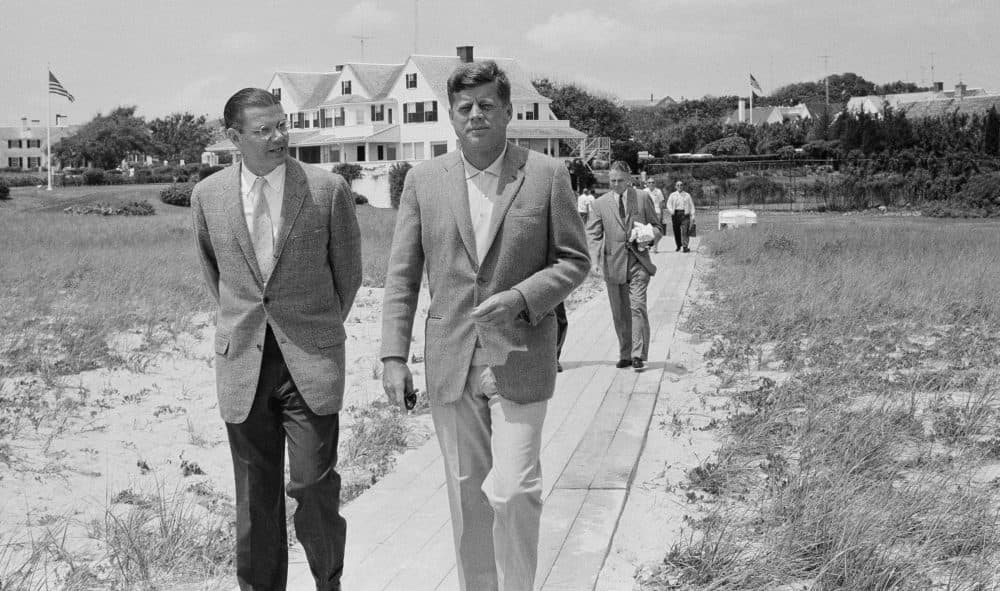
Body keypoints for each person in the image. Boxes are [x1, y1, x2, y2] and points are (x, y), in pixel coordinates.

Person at [380, 60, 590, 591]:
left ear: (508, 112)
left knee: (515, 490)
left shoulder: (546, 175)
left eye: (486, 106)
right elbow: (402, 277)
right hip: (450, 358)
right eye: (464, 107)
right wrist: (392, 358)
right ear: (451, 115)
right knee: (467, 494)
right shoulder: (423, 181)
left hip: (520, 355)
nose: (475, 115)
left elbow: (573, 259)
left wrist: (522, 297)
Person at [191, 88, 362, 591]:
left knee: (312, 485)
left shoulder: (327, 188)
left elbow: (347, 276)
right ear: (234, 138)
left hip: (310, 360)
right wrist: (243, 328)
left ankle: (327, 581)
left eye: (281, 125)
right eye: (263, 129)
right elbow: (215, 277)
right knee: (254, 499)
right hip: (243, 362)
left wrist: (314, 329)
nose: (278, 136)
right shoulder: (209, 195)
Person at [587, 161, 664, 371]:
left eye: (620, 180)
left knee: (637, 307)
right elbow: (593, 235)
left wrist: (649, 238)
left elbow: (658, 226)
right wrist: (594, 262)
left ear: (629, 180)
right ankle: (625, 353)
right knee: (619, 313)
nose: (616, 184)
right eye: (612, 180)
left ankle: (638, 355)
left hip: (638, 262)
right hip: (613, 265)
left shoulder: (642, 197)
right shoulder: (599, 204)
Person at [666, 180, 696, 252]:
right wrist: (671, 211)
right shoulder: (672, 195)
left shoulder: (687, 195)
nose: (679, 186)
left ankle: (685, 247)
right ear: (676, 187)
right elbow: (668, 204)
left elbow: (691, 205)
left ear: (683, 186)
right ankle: (678, 245)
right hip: (675, 214)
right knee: (676, 231)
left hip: (685, 214)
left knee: (685, 231)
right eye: (678, 185)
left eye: (681, 185)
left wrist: (693, 215)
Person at [644, 178, 665, 252]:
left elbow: (661, 203)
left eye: (653, 182)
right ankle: (648, 245)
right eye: (649, 182)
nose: (651, 184)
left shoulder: (658, 191)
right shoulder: (644, 191)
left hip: (657, 213)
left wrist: (662, 215)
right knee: (648, 230)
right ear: (647, 183)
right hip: (647, 213)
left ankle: (655, 247)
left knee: (657, 231)